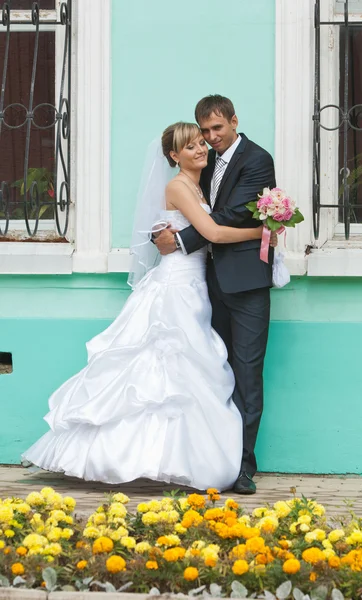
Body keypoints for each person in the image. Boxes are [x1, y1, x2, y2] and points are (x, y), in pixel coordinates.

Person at [21, 121, 267, 492]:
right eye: (190, 147)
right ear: (173, 155)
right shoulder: (177, 186)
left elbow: (194, 230)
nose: (201, 149)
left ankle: (183, 458)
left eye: (202, 143)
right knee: (164, 375)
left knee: (190, 377)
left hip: (197, 284)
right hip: (177, 287)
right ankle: (128, 458)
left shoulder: (198, 185)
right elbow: (213, 233)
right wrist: (263, 231)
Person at [155, 95, 277, 495]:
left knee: (245, 373)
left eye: (216, 129)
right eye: (203, 132)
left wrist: (181, 239)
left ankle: (242, 467)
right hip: (205, 286)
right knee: (213, 376)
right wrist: (162, 233)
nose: (209, 139)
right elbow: (190, 204)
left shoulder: (257, 159)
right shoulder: (202, 165)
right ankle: (210, 459)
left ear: (234, 121)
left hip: (245, 283)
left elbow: (235, 213)